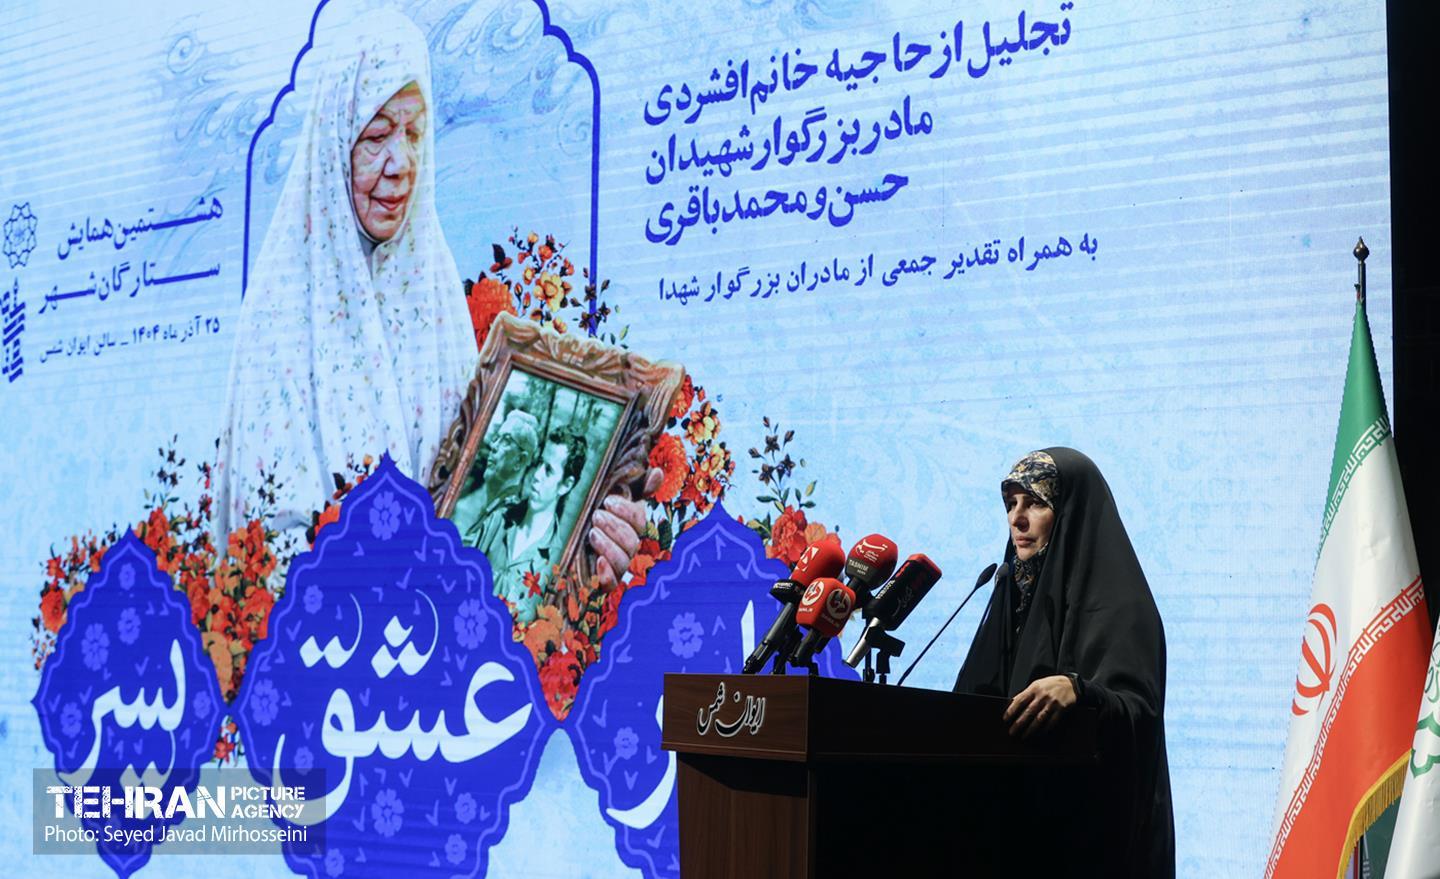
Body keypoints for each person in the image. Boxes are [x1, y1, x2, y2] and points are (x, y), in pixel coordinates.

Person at [213, 9, 653, 588]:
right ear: (334, 145)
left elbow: (474, 507)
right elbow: (268, 550)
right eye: (376, 136)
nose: (402, 165)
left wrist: (581, 537)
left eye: (415, 134)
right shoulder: (281, 319)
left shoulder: (433, 298)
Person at [953, 448, 1175, 878]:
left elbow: (1141, 717)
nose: (1017, 519)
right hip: (1013, 839)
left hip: (1093, 848)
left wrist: (1079, 690)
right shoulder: (1010, 598)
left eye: (1035, 503)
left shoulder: (1125, 607)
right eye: (1010, 504)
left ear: (1071, 512)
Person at [487, 428, 588, 622]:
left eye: (548, 470)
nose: (537, 475)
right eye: (540, 463)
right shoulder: (499, 519)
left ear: (566, 485)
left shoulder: (558, 563)